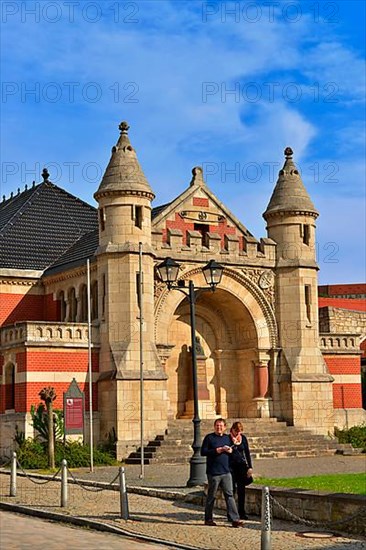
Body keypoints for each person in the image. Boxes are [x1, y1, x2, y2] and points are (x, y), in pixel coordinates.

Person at [201, 418, 243, 527]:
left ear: (224, 428)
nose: (219, 428)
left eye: (221, 426)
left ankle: (235, 519)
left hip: (226, 471)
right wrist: (216, 451)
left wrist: (231, 451)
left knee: (229, 495)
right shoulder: (209, 438)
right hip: (213, 472)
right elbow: (203, 452)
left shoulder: (227, 438)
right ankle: (208, 518)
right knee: (212, 495)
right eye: (217, 426)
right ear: (214, 427)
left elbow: (234, 453)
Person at [229, 421, 253, 520]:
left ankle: (242, 512)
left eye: (239, 431)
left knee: (241, 490)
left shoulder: (243, 438)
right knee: (232, 491)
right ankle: (231, 514)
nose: (238, 433)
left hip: (242, 467)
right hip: (231, 467)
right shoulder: (228, 438)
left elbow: (247, 453)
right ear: (232, 430)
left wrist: (250, 467)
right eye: (236, 431)